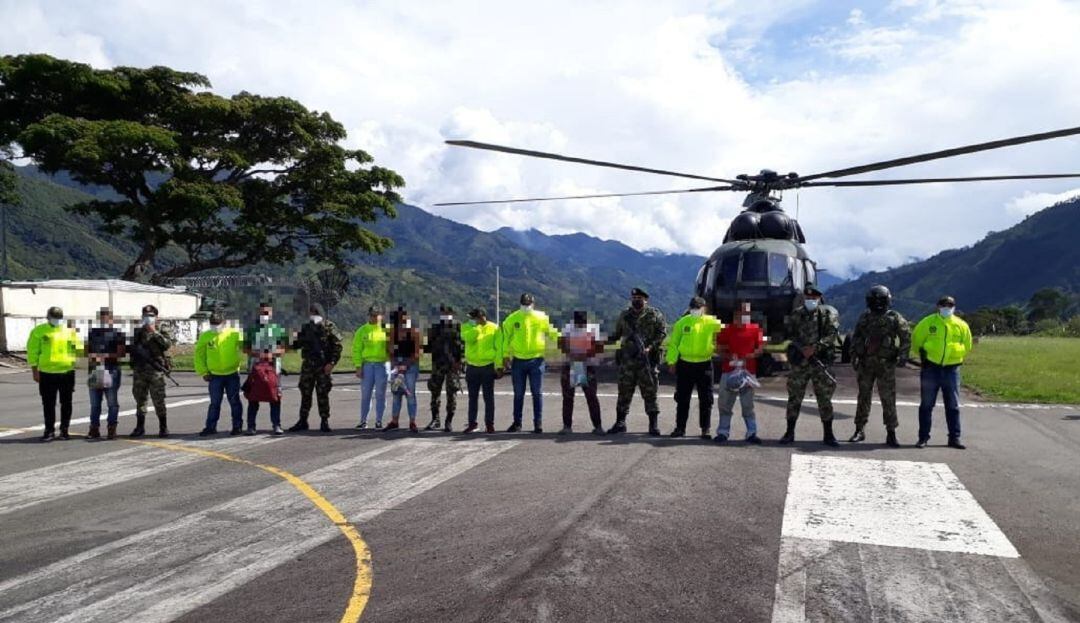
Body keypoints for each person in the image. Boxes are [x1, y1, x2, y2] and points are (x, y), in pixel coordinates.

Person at [849, 285, 911, 447]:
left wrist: (903, 356)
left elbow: (906, 336)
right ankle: (859, 430)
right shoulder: (864, 318)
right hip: (866, 364)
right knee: (863, 397)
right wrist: (854, 355)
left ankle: (891, 432)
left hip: (886, 365)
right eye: (874, 300)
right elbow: (856, 338)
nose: (877, 303)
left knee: (888, 399)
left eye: (880, 300)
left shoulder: (894, 317)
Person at [780, 284, 841, 446]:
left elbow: (832, 334)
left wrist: (815, 348)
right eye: (808, 298)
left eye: (813, 298)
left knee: (824, 398)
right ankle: (789, 432)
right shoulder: (796, 314)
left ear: (819, 299)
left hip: (819, 361)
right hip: (800, 362)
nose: (810, 301)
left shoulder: (827, 314)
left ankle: (828, 434)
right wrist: (801, 348)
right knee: (794, 397)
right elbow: (790, 333)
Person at [911, 295, 973, 449]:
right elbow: (916, 341)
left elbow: (967, 345)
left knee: (953, 406)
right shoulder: (927, 322)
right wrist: (924, 357)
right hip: (931, 368)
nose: (947, 307)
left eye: (950, 304)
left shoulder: (961, 325)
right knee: (926, 405)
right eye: (944, 304)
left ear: (954, 307)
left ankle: (954, 438)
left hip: (952, 369)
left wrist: (957, 355)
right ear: (938, 306)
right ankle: (923, 437)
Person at [607, 287, 667, 436]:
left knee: (650, 393)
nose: (636, 301)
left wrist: (650, 347)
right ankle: (620, 423)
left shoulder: (654, 314)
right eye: (634, 298)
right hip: (627, 361)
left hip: (646, 361)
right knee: (624, 392)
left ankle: (653, 425)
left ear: (646, 300)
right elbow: (617, 334)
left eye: (639, 298)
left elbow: (662, 333)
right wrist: (601, 341)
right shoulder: (625, 315)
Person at [502, 293, 559, 433]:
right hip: (518, 360)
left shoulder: (541, 317)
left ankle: (538, 424)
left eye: (528, 304)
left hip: (537, 360)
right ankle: (517, 423)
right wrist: (504, 356)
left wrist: (564, 346)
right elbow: (505, 339)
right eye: (524, 304)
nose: (526, 306)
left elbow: (553, 334)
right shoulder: (512, 318)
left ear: (533, 303)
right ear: (520, 303)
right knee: (518, 393)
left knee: (537, 393)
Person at [666, 296, 723, 438]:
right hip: (685, 364)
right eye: (693, 307)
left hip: (705, 364)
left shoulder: (713, 322)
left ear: (704, 308)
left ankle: (705, 429)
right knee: (682, 398)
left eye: (698, 308)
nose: (695, 310)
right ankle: (680, 428)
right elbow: (673, 344)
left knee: (706, 399)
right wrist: (671, 361)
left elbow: (725, 336)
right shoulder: (682, 323)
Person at [27, 306, 82, 442]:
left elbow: (78, 349)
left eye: (58, 318)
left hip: (67, 372)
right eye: (53, 318)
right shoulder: (39, 331)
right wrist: (35, 371)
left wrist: (76, 362)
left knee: (66, 403)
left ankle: (64, 430)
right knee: (48, 403)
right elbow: (32, 351)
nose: (55, 320)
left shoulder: (69, 331)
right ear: (47, 317)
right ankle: (49, 430)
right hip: (47, 373)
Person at [714, 301, 765, 444]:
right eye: (742, 313)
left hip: (748, 373)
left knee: (748, 405)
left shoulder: (756, 329)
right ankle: (723, 432)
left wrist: (751, 355)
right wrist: (728, 355)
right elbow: (718, 348)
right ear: (735, 314)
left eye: (747, 313)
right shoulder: (726, 329)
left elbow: (760, 348)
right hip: (729, 372)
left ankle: (751, 433)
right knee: (724, 404)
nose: (744, 316)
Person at [289, 304, 343, 433]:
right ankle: (303, 420)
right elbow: (295, 345)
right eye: (310, 312)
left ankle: (324, 421)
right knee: (305, 393)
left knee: (322, 393)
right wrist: (293, 334)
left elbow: (337, 346)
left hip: (323, 365)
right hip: (308, 364)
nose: (312, 314)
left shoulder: (329, 326)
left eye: (314, 312)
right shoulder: (304, 327)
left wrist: (332, 363)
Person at [196, 312, 245, 436]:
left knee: (234, 401)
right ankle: (210, 427)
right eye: (212, 324)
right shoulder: (205, 336)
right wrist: (203, 372)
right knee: (214, 402)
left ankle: (237, 426)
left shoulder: (234, 334)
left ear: (224, 323)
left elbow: (246, 347)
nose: (215, 326)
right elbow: (199, 355)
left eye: (217, 324)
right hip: (214, 375)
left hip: (232, 374)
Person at [243, 302, 288, 435]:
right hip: (255, 369)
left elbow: (283, 348)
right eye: (262, 313)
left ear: (271, 314)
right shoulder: (251, 329)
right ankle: (251, 426)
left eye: (267, 313)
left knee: (275, 397)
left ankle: (276, 424)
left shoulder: (277, 329)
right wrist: (259, 354)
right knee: (253, 397)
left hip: (273, 369)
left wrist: (271, 354)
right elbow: (245, 348)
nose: (264, 315)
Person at [129, 304, 173, 438]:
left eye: (151, 316)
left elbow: (167, 344)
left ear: (156, 317)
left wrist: (154, 332)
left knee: (158, 400)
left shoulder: (162, 328)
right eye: (145, 316)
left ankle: (163, 427)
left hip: (156, 371)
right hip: (140, 370)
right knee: (140, 399)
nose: (147, 318)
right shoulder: (138, 331)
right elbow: (131, 348)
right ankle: (139, 427)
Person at [558, 310, 604, 435]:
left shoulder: (592, 329)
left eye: (582, 324)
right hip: (573, 364)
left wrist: (582, 354)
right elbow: (562, 346)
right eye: (578, 324)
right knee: (568, 397)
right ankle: (567, 426)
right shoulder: (568, 329)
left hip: (586, 365)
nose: (580, 326)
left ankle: (598, 426)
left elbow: (598, 348)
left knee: (591, 397)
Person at [85, 307, 126, 440]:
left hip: (111, 370)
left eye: (106, 317)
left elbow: (121, 353)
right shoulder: (93, 333)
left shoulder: (117, 333)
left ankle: (111, 428)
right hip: (95, 370)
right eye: (102, 317)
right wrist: (93, 356)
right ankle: (94, 428)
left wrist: (105, 355)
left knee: (112, 403)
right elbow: (86, 351)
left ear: (111, 319)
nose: (104, 320)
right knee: (95, 403)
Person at [461, 308, 502, 434]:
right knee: (472, 397)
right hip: (472, 366)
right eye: (471, 318)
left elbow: (499, 347)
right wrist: (477, 327)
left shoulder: (494, 328)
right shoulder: (466, 327)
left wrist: (499, 366)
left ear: (482, 317)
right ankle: (472, 423)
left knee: (488, 397)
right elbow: (469, 339)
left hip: (487, 366)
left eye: (475, 318)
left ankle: (489, 424)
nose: (472, 320)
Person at [424, 305, 463, 431]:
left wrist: (459, 362)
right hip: (438, 364)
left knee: (452, 393)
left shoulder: (458, 328)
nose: (446, 315)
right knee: (435, 392)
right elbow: (427, 347)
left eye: (448, 312)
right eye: (444, 312)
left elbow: (462, 347)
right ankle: (435, 419)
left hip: (453, 366)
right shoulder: (434, 328)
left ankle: (448, 421)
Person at [384, 307, 422, 433]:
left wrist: (404, 366)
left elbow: (417, 352)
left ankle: (412, 421)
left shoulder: (414, 332)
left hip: (410, 367)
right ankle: (394, 421)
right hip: (396, 366)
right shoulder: (392, 333)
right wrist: (395, 365)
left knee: (410, 394)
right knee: (396, 394)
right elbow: (389, 350)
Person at [352, 306, 389, 430]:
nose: (375, 317)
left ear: (381, 316)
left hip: (382, 365)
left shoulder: (386, 330)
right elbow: (357, 349)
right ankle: (363, 420)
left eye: (377, 315)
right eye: (372, 315)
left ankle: (379, 420)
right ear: (369, 315)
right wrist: (358, 366)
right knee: (366, 394)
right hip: (367, 365)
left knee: (380, 394)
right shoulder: (362, 330)